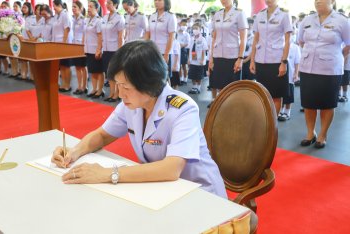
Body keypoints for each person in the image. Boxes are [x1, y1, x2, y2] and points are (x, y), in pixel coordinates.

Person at [51, 40, 227, 198]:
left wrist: (107, 174)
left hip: (200, 194)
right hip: (163, 190)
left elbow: (172, 168)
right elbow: (103, 135)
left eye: (125, 87)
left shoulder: (183, 109)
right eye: (118, 86)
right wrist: (74, 152)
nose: (120, 94)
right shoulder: (132, 105)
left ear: (148, 83)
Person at [297, 0, 350, 149]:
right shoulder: (307, 20)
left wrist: (335, 56)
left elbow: (348, 44)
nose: (318, 1)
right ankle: (310, 132)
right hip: (307, 68)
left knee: (327, 103)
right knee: (309, 103)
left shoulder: (342, 21)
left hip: (329, 69)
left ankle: (322, 134)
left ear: (332, 0)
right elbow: (301, 41)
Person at [249, 0, 292, 115]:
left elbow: (288, 40)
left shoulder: (284, 15)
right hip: (261, 60)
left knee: (276, 95)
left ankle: (273, 124)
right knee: (263, 93)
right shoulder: (259, 15)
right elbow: (255, 39)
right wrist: (252, 60)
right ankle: (265, 121)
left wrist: (283, 62)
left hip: (277, 61)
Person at [209, 0, 248, 106]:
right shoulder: (218, 14)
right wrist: (211, 58)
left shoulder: (239, 13)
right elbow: (214, 37)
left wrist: (240, 59)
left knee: (232, 90)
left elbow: (243, 38)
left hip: (232, 57)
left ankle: (233, 115)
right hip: (218, 56)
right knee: (220, 88)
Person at [145, 0, 177, 78]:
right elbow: (148, 34)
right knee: (151, 77)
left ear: (166, 2)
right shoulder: (152, 16)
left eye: (159, 0)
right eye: (155, 0)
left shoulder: (170, 16)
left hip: (163, 51)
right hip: (151, 51)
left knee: (164, 78)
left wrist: (166, 54)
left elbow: (171, 36)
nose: (156, 2)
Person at [101, 0, 125, 102]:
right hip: (106, 49)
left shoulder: (119, 18)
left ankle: (117, 94)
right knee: (108, 72)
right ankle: (111, 93)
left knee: (115, 73)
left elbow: (121, 36)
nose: (107, 5)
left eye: (109, 3)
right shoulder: (105, 17)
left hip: (115, 49)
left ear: (115, 4)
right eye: (106, 2)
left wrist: (120, 51)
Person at [278, 31, 300, 121]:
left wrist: (296, 74)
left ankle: (287, 112)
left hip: (290, 75)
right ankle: (281, 111)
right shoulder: (279, 45)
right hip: (280, 73)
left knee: (289, 95)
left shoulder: (295, 48)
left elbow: (297, 62)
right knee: (280, 93)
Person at [83, 0, 104, 98]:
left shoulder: (99, 20)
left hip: (95, 49)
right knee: (92, 70)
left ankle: (100, 90)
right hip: (88, 49)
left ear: (97, 9)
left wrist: (99, 49)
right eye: (88, 6)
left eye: (91, 7)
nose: (88, 8)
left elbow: (100, 36)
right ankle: (94, 89)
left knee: (99, 71)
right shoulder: (87, 20)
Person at [52, 0, 73, 92]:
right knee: (62, 66)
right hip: (57, 43)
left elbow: (67, 29)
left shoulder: (65, 14)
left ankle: (67, 85)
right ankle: (63, 83)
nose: (53, 8)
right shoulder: (57, 16)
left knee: (66, 65)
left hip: (64, 43)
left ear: (59, 5)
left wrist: (64, 43)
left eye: (54, 6)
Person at [71, 1, 88, 95]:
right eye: (72, 7)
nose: (73, 9)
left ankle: (84, 86)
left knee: (83, 66)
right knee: (77, 67)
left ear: (81, 9)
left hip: (81, 45)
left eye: (75, 7)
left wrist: (82, 45)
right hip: (74, 44)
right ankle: (79, 85)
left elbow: (85, 33)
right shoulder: (73, 19)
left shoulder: (84, 19)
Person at [188, 23, 208, 94]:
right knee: (192, 75)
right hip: (192, 60)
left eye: (196, 29)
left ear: (200, 30)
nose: (195, 30)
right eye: (194, 29)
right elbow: (190, 50)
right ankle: (194, 87)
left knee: (198, 76)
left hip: (199, 61)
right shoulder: (191, 39)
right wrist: (188, 59)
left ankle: (198, 88)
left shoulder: (202, 39)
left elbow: (204, 50)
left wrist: (202, 60)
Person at [177, 19, 190, 85]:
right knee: (178, 65)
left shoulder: (186, 34)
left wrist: (182, 45)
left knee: (184, 65)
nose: (184, 26)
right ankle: (180, 78)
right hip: (177, 49)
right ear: (180, 24)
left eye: (185, 25)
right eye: (183, 24)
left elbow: (187, 43)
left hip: (183, 50)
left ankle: (185, 79)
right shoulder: (176, 32)